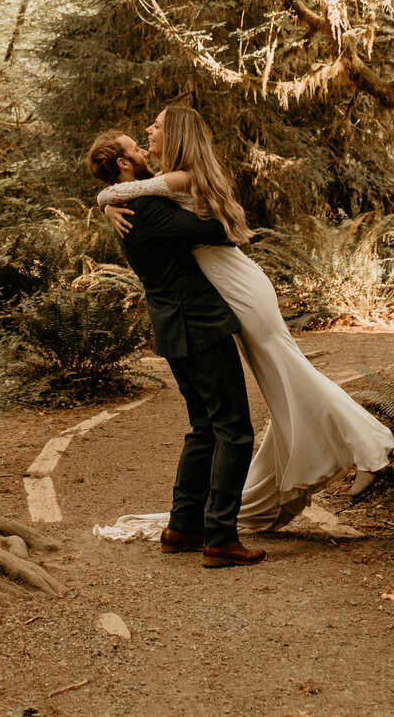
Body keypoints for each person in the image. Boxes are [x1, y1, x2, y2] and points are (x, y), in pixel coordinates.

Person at [86, 105, 394, 538]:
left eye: (154, 128)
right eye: (140, 137)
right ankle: (320, 464)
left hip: (237, 284)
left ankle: (371, 450)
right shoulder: (156, 191)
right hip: (225, 285)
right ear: (124, 162)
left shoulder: (173, 181)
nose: (146, 134)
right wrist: (108, 201)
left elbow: (212, 229)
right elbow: (147, 198)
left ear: (176, 134)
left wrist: (107, 198)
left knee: (290, 372)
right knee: (280, 383)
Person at [94, 111, 267, 569]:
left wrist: (105, 199)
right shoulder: (146, 208)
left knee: (205, 428)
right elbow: (214, 231)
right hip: (198, 325)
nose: (144, 151)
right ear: (124, 167)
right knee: (234, 428)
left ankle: (183, 527)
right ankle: (221, 538)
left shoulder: (129, 205)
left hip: (173, 326)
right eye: (136, 150)